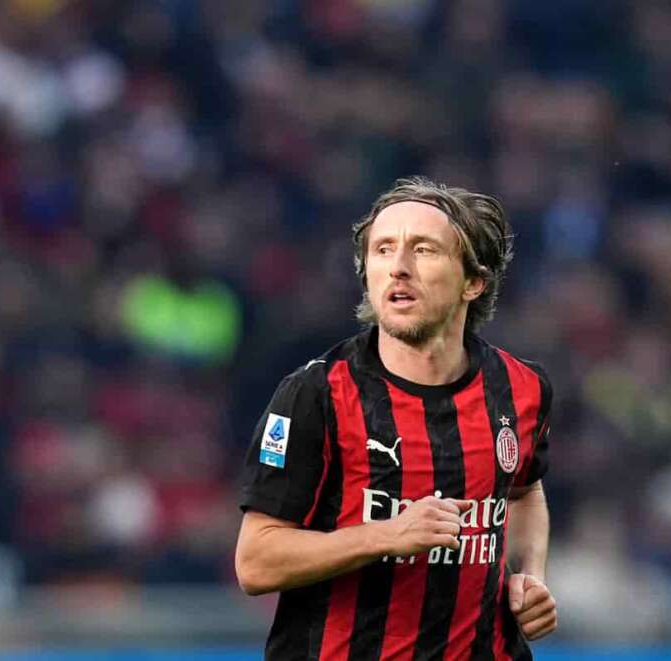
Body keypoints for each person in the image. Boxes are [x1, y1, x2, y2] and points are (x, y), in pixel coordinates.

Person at [235, 177, 557, 660]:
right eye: (383, 249)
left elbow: (524, 490)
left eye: (423, 250)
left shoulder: (521, 388)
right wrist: (387, 535)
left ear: (474, 282)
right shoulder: (318, 394)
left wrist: (529, 575)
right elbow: (256, 562)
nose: (398, 267)